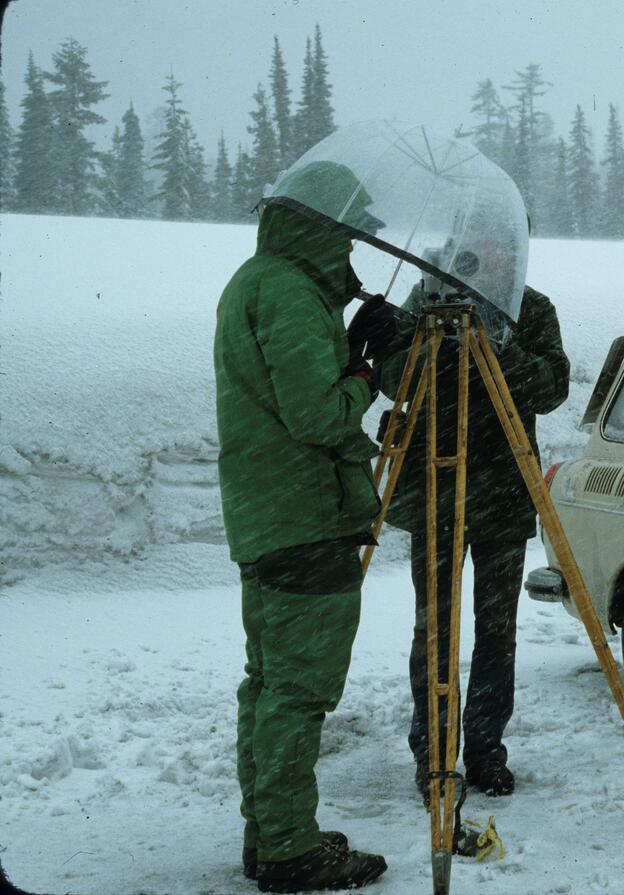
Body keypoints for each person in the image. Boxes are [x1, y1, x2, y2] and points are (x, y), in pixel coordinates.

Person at [213, 160, 388, 892]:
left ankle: (269, 832)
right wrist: (370, 375)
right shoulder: (286, 290)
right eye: (348, 239)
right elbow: (316, 413)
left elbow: (293, 388)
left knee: (270, 682)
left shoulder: (260, 281)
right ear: (321, 227)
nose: (353, 253)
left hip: (269, 514)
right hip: (304, 513)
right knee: (299, 690)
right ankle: (288, 849)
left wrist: (346, 344)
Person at [367, 262, 569, 802]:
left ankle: (484, 749)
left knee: (496, 628)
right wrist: (434, 346)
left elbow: (552, 388)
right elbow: (392, 379)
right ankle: (432, 754)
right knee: (433, 627)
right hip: (437, 483)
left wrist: (498, 344)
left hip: (504, 487)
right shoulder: (425, 299)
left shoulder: (532, 307)